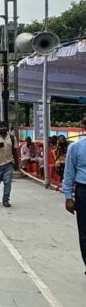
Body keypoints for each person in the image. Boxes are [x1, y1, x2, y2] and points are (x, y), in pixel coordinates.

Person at [62, 116, 86, 274]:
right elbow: (69, 173)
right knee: (84, 232)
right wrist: (68, 196)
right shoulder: (76, 148)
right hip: (83, 191)